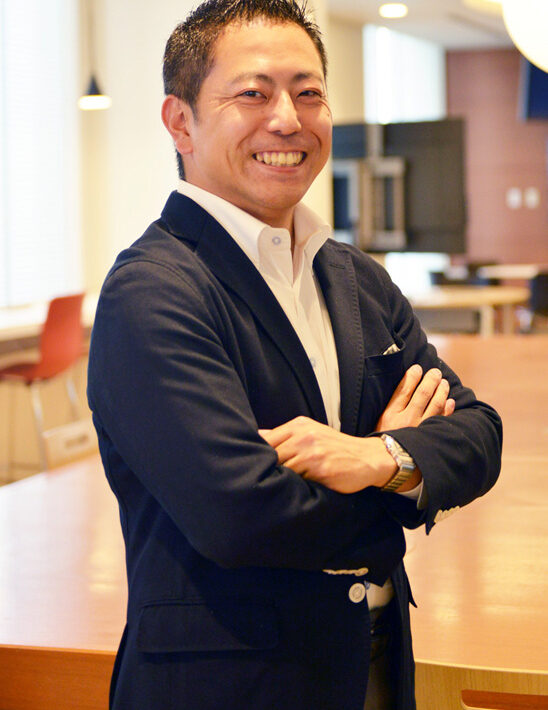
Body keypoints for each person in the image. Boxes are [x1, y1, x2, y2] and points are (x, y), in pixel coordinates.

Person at [87, 1, 502, 708]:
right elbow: (242, 516)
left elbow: (479, 434)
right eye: (253, 93)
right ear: (180, 122)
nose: (288, 118)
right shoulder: (153, 292)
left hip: (373, 663)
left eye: (308, 93)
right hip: (233, 685)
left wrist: (376, 458)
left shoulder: (353, 276)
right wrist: (404, 475)